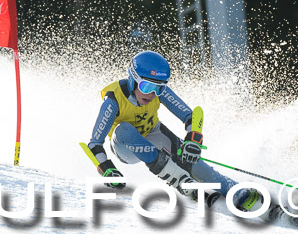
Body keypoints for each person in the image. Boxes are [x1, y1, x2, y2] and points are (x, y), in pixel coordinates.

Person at [86, 50, 278, 219]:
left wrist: (193, 138)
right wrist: (107, 169)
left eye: (158, 88)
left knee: (195, 164)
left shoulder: (158, 93)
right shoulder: (113, 100)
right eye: (146, 87)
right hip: (125, 147)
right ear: (132, 79)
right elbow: (94, 143)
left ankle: (238, 192)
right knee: (124, 128)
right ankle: (179, 179)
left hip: (153, 133)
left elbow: (191, 115)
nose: (152, 94)